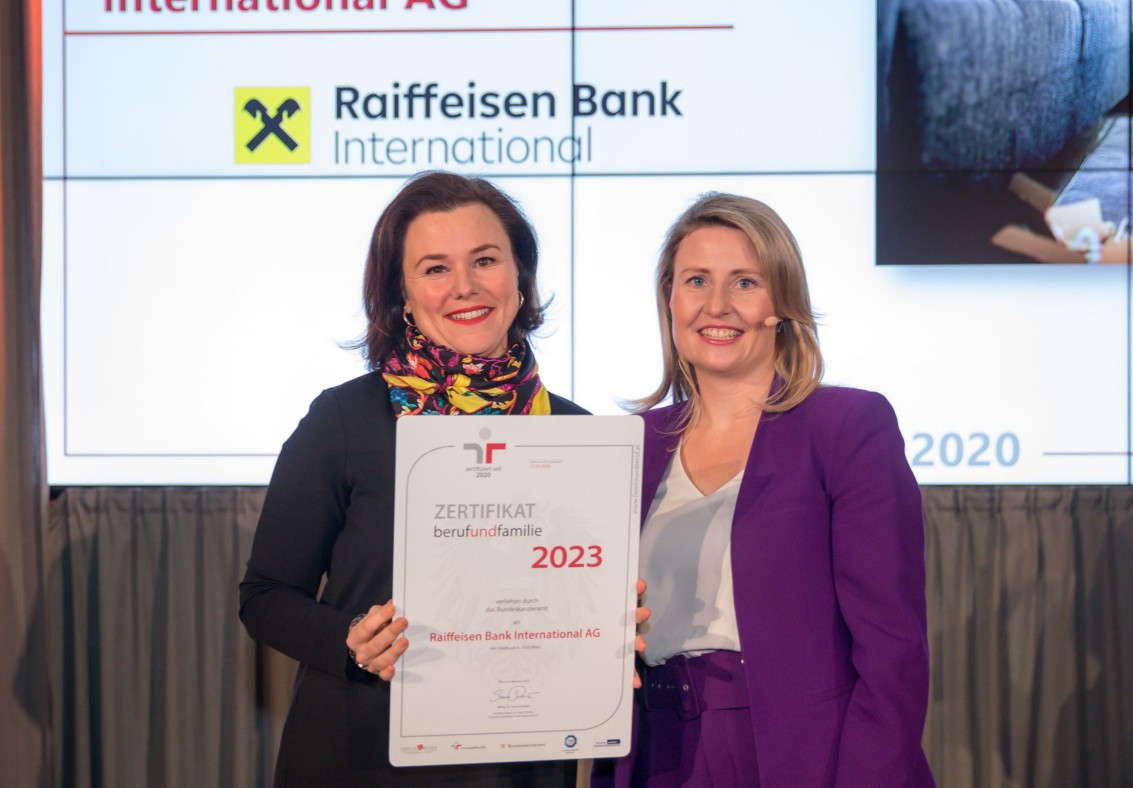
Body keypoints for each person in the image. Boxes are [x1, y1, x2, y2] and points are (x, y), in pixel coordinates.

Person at [239, 172, 591, 785]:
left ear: (520, 275)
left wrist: (609, 621)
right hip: (364, 756)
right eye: (435, 268)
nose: (465, 287)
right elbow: (265, 597)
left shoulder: (574, 431)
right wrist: (350, 638)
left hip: (518, 765)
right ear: (401, 291)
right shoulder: (344, 420)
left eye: (485, 260)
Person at [594, 194, 936, 786]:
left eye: (745, 282)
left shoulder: (847, 427)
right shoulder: (627, 443)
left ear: (781, 303)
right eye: (696, 280)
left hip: (804, 756)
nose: (717, 305)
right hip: (655, 752)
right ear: (669, 299)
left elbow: (892, 652)